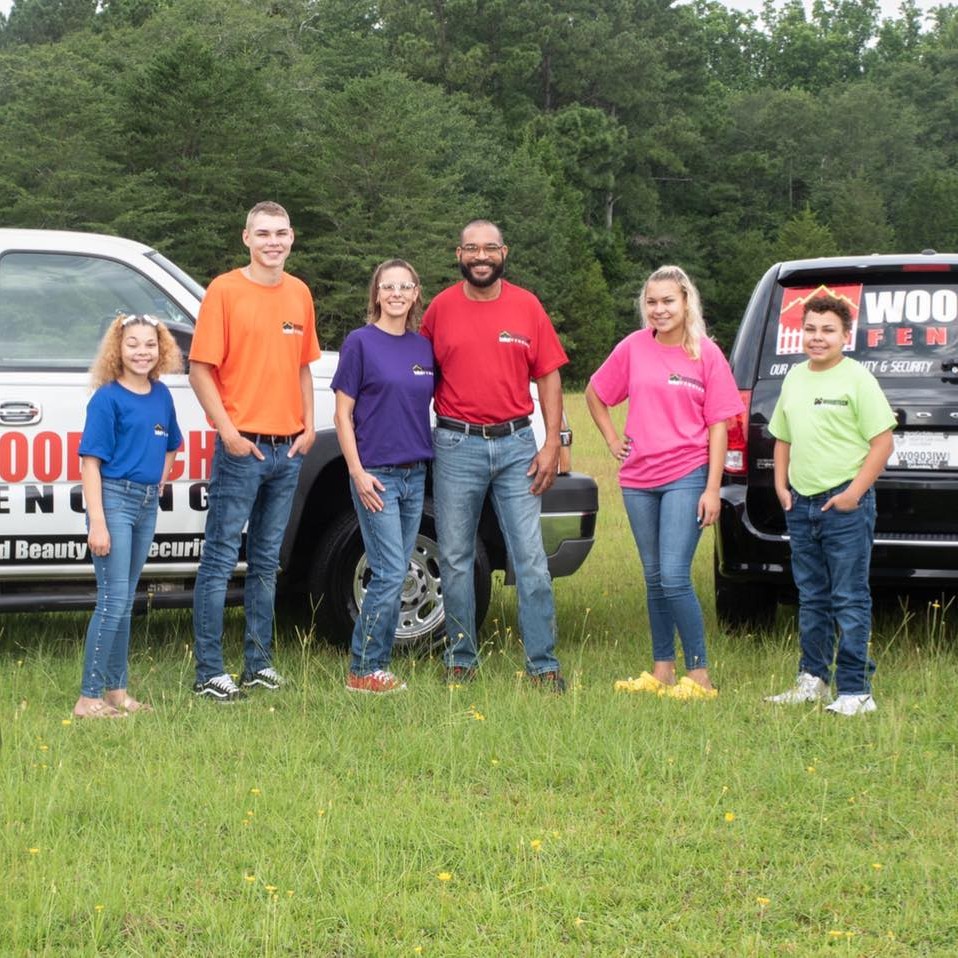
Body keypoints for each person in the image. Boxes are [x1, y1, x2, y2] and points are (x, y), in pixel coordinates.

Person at [421, 219, 567, 692]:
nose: (480, 256)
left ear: (504, 251)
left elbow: (548, 376)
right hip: (455, 444)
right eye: (471, 248)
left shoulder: (527, 306)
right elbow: (416, 373)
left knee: (531, 560)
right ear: (458, 253)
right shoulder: (440, 309)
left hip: (517, 446)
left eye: (489, 248)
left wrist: (552, 443)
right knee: (458, 558)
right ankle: (461, 656)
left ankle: (543, 665)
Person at [586, 265, 743, 700]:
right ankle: (662, 671)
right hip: (638, 479)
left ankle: (700, 677)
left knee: (675, 575)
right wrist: (613, 438)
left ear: (686, 301)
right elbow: (596, 393)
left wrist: (712, 489)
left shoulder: (706, 354)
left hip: (687, 475)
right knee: (654, 577)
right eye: (651, 302)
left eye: (668, 301)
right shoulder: (633, 348)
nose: (659, 309)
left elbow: (720, 427)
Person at [189, 201, 320, 702]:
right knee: (220, 559)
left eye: (281, 233)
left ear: (292, 238)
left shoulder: (299, 293)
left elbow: (303, 365)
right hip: (242, 447)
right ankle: (209, 672)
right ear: (246, 238)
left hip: (288, 452)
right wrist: (228, 433)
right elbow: (200, 369)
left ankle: (258, 664)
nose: (273, 241)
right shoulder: (225, 291)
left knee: (266, 563)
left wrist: (308, 427)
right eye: (263, 233)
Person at [766, 295, 895, 716]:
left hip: (844, 505)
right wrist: (781, 485)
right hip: (800, 504)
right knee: (812, 595)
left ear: (845, 336)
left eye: (827, 330)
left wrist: (853, 494)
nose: (817, 338)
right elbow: (782, 436)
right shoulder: (794, 378)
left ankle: (856, 691)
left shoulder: (858, 379)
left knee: (849, 597)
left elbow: (883, 442)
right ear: (800, 332)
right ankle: (813, 680)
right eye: (810, 329)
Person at [331, 259, 434, 694]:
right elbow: (342, 414)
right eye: (387, 286)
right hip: (377, 476)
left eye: (404, 286)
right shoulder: (360, 343)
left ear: (415, 295)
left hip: (416, 474)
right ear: (376, 294)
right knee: (391, 571)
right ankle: (365, 668)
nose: (395, 293)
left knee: (397, 568)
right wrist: (357, 473)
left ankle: (378, 664)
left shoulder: (423, 347)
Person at [73, 314, 183, 718]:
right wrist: (98, 521)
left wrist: (160, 480)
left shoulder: (161, 395)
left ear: (161, 349)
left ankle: (117, 692)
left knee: (125, 600)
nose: (142, 351)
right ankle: (88, 698)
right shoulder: (107, 399)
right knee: (113, 601)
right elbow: (89, 463)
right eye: (133, 343)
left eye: (150, 344)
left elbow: (172, 442)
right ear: (117, 350)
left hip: (145, 504)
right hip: (114, 500)